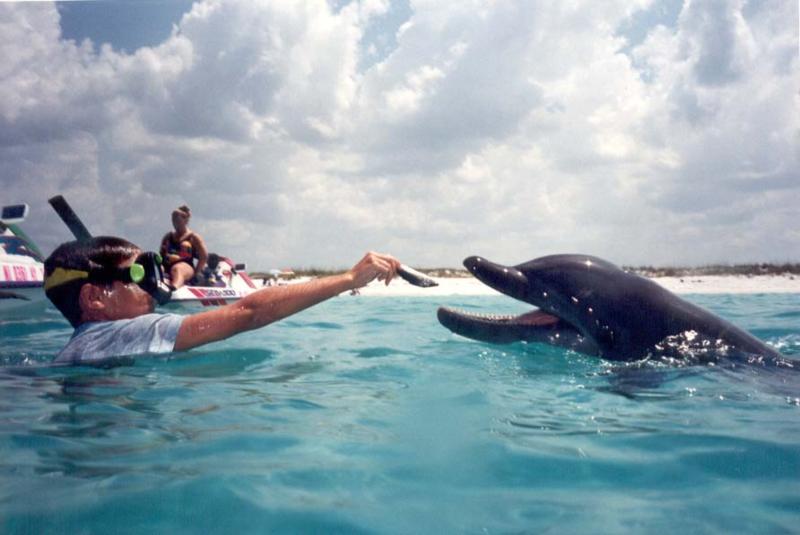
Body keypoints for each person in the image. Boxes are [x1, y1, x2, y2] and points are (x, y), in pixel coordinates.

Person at [44, 236, 400, 366]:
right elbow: (249, 312)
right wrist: (349, 280)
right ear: (95, 298)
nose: (152, 288)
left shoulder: (83, 347)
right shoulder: (122, 333)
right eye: (138, 277)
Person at [159, 205, 208, 289]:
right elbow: (161, 254)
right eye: (173, 219)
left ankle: (174, 287)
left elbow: (204, 256)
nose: (175, 222)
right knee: (157, 268)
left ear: (185, 220)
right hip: (167, 265)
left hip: (186, 266)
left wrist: (196, 272)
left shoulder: (193, 237)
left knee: (177, 268)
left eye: (177, 219)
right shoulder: (168, 236)